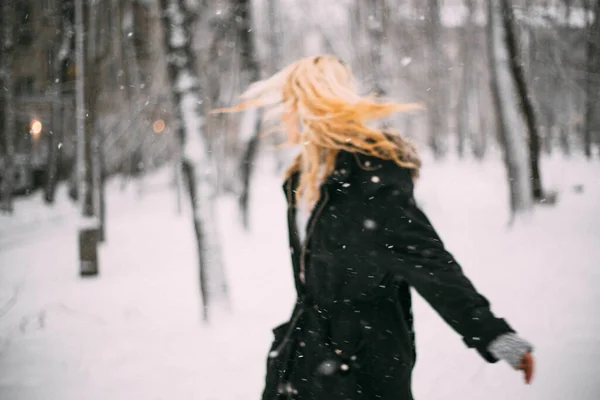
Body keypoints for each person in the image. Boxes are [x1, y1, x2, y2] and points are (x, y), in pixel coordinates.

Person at [213, 55, 535, 400]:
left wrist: (495, 336)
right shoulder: (301, 178)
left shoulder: (370, 181)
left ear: (312, 103)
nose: (285, 114)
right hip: (308, 352)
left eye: (291, 103)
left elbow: (431, 263)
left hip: (365, 361)